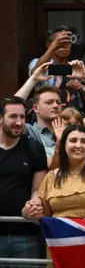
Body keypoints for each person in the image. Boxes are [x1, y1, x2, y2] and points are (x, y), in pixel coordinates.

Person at [28, 125, 85, 218]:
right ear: (64, 144)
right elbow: (45, 216)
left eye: (84, 141)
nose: (78, 145)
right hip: (61, 233)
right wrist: (28, 213)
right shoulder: (51, 176)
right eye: (73, 140)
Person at [0, 96, 47, 259]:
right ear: (0, 119)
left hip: (24, 233)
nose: (19, 122)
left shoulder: (34, 148)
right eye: (13, 116)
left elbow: (37, 190)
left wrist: (33, 206)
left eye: (22, 117)